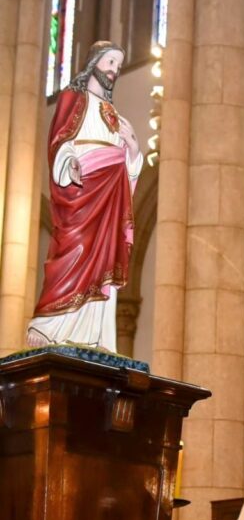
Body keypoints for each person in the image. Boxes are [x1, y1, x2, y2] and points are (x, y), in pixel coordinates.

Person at [27, 41, 142, 352]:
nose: (115, 71)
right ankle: (50, 324)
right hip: (82, 189)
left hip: (111, 194)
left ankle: (95, 335)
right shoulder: (72, 97)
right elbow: (59, 139)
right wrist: (69, 161)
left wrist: (133, 151)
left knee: (104, 255)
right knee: (75, 247)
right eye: (110, 62)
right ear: (94, 63)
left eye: (119, 65)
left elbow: (126, 160)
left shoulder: (113, 113)